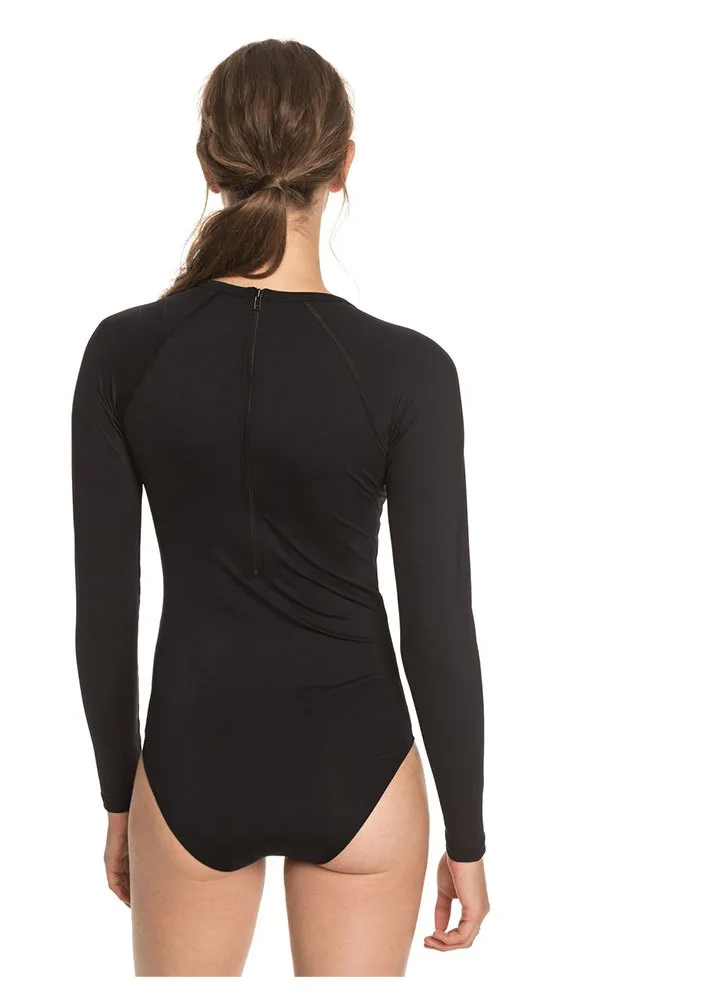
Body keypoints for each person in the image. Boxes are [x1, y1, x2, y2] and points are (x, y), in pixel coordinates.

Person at [71, 38, 490, 977]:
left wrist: (119, 798)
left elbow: (105, 612)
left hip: (191, 766)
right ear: (343, 166)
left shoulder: (124, 355)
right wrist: (466, 835)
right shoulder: (410, 370)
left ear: (208, 162)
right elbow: (438, 626)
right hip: (360, 766)